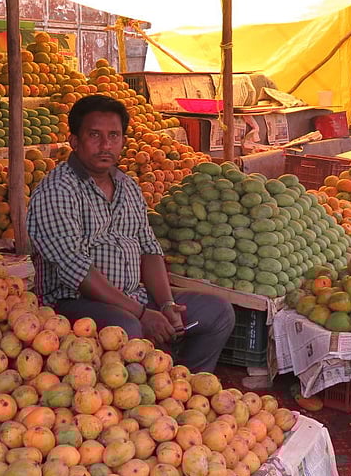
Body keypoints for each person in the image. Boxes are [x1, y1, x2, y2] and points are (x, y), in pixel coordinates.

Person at [26, 94, 235, 373]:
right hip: (73, 304)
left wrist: (167, 304)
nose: (105, 145)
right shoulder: (57, 191)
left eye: (114, 135)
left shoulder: (127, 186)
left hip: (134, 297)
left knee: (218, 312)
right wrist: (141, 313)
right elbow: (78, 272)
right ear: (74, 141)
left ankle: (187, 385)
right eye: (94, 135)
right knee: (126, 328)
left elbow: (149, 250)